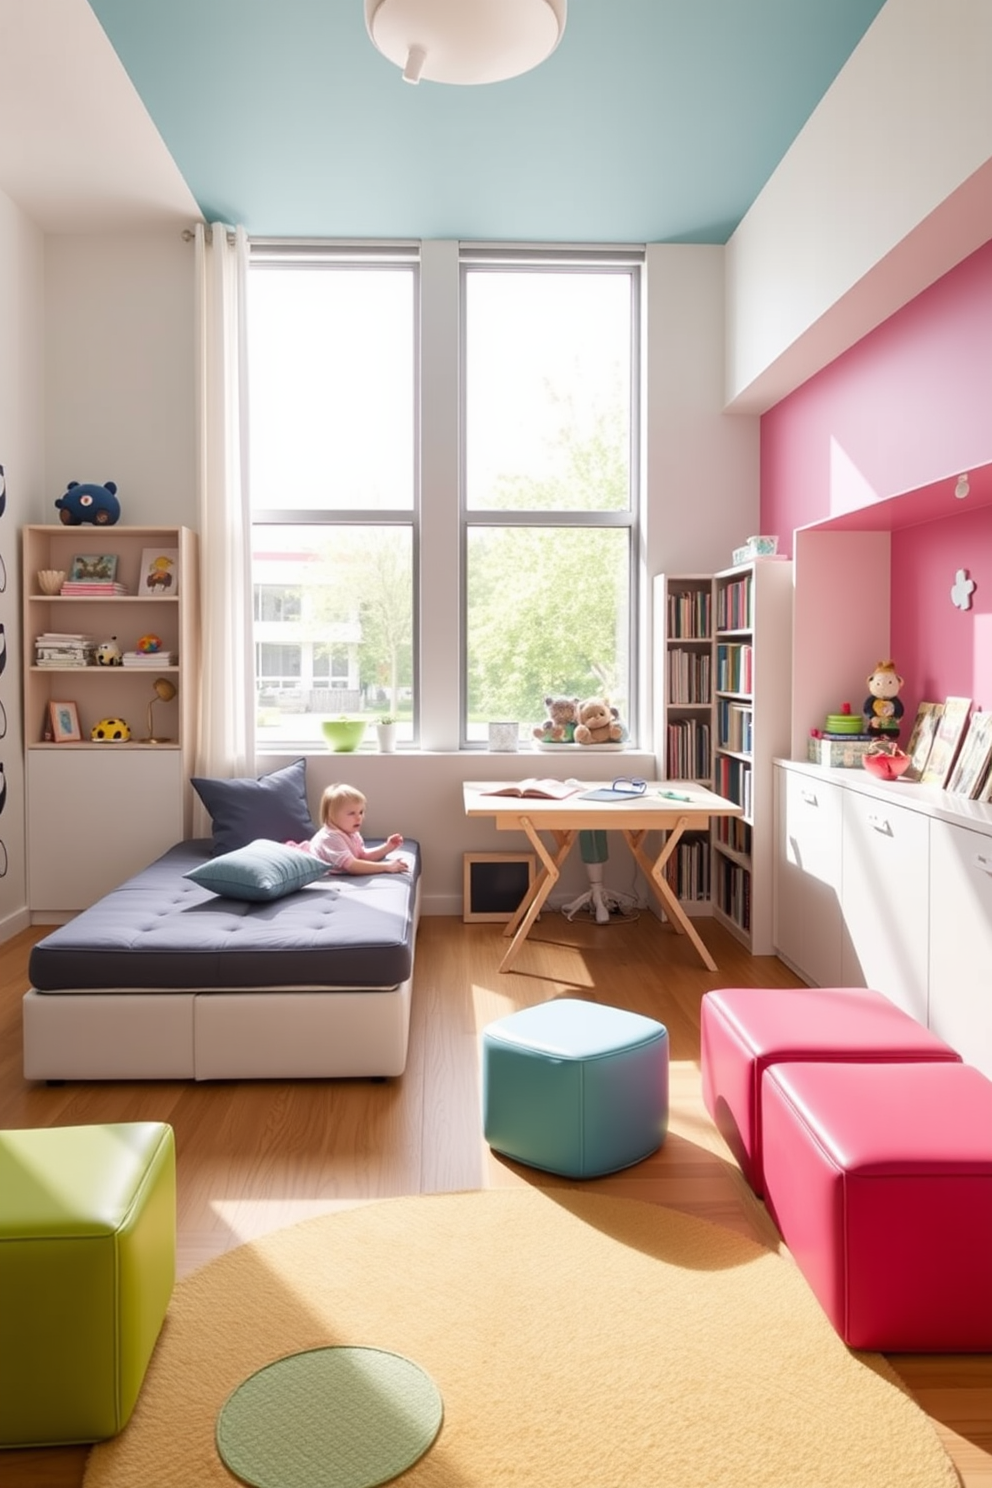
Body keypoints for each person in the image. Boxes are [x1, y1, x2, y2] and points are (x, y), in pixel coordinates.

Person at [297, 782, 406, 876]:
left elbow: (362, 856)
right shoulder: (330, 838)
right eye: (351, 813)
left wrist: (387, 847)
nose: (359, 817)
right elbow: (353, 866)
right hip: (302, 865)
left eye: (361, 812)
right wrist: (386, 867)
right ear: (331, 815)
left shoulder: (351, 833)